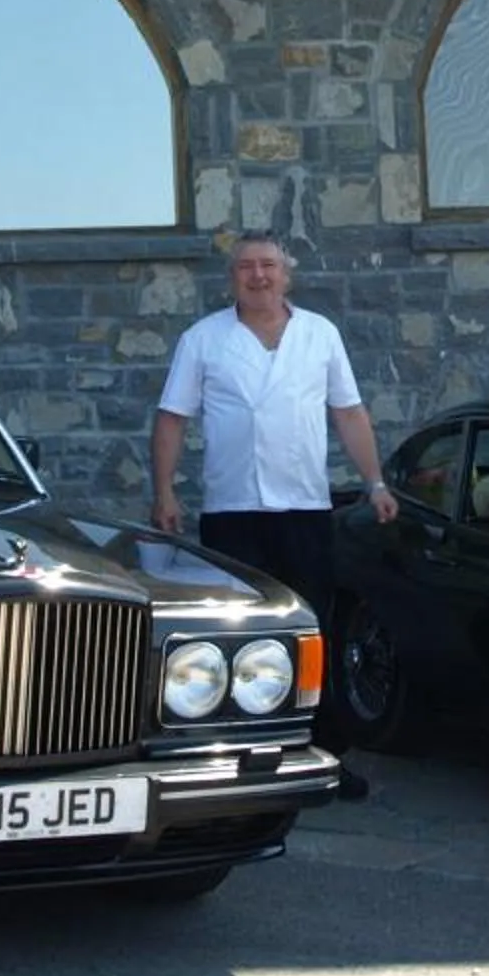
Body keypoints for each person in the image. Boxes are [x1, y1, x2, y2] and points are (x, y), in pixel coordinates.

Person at [152, 232, 399, 799]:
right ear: (231, 277)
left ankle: (322, 755)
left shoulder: (319, 335)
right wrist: (164, 491)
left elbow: (349, 412)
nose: (257, 276)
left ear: (286, 274)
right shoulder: (204, 339)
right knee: (235, 637)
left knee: (308, 633)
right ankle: (236, 756)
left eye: (267, 265)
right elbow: (171, 419)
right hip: (232, 512)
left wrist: (375, 482)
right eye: (245, 267)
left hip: (303, 510)